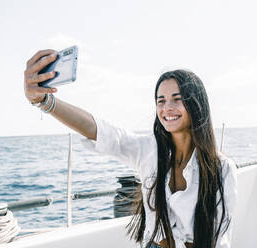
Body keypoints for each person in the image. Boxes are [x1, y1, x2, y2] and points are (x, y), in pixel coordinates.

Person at [24, 49, 237, 248]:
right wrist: (44, 101)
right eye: (160, 101)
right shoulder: (148, 150)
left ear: (196, 104)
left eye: (177, 99)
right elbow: (102, 132)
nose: (167, 108)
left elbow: (219, 239)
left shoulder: (222, 168)